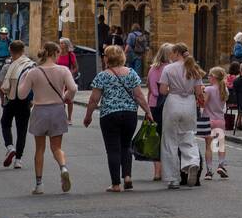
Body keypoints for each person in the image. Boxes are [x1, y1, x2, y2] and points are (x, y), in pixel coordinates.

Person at [84, 45, 152, 193]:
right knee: (126, 146)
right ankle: (127, 176)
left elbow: (93, 100)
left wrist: (88, 116)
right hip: (129, 114)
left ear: (107, 58)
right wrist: (148, 111)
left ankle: (116, 184)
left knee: (113, 149)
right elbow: (139, 96)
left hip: (109, 115)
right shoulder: (131, 73)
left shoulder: (102, 76)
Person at [16, 42, 77, 194]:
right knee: (56, 147)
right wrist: (66, 97)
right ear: (56, 52)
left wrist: (22, 79)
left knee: (40, 149)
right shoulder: (63, 70)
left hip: (40, 110)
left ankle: (39, 185)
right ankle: (63, 167)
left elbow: (21, 94)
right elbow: (73, 88)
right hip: (57, 109)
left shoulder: (34, 72)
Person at [159, 43, 206, 189]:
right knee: (188, 136)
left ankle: (173, 179)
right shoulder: (194, 69)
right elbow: (199, 92)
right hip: (189, 104)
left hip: (173, 102)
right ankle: (192, 162)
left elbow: (162, 90)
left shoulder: (168, 68)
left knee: (170, 141)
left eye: (172, 53)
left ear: (175, 52)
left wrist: (172, 90)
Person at [0, 39, 36, 169]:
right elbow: (34, 85)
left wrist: (2, 99)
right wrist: (32, 100)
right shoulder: (31, 65)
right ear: (23, 51)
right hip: (25, 100)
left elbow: (1, 84)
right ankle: (18, 160)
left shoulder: (7, 66)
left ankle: (10, 147)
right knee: (22, 130)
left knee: (5, 123)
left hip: (10, 100)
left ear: (10, 51)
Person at [147, 44, 174, 182]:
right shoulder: (170, 69)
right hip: (167, 105)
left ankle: (157, 172)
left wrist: (147, 109)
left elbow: (150, 90)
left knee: (156, 137)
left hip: (153, 105)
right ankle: (169, 170)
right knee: (168, 137)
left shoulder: (152, 69)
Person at [202, 66, 230, 180]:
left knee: (208, 146)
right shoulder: (225, 89)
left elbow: (203, 103)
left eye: (209, 75)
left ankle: (209, 171)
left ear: (213, 77)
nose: (208, 77)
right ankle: (221, 165)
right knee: (221, 145)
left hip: (208, 120)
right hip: (220, 120)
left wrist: (201, 93)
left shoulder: (209, 89)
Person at [57, 38, 79, 125]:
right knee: (59, 99)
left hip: (68, 79)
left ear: (66, 44)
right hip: (58, 79)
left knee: (69, 100)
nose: (60, 45)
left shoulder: (71, 55)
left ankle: (69, 118)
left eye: (62, 43)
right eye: (60, 43)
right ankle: (63, 117)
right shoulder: (57, 54)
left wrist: (70, 73)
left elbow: (76, 67)